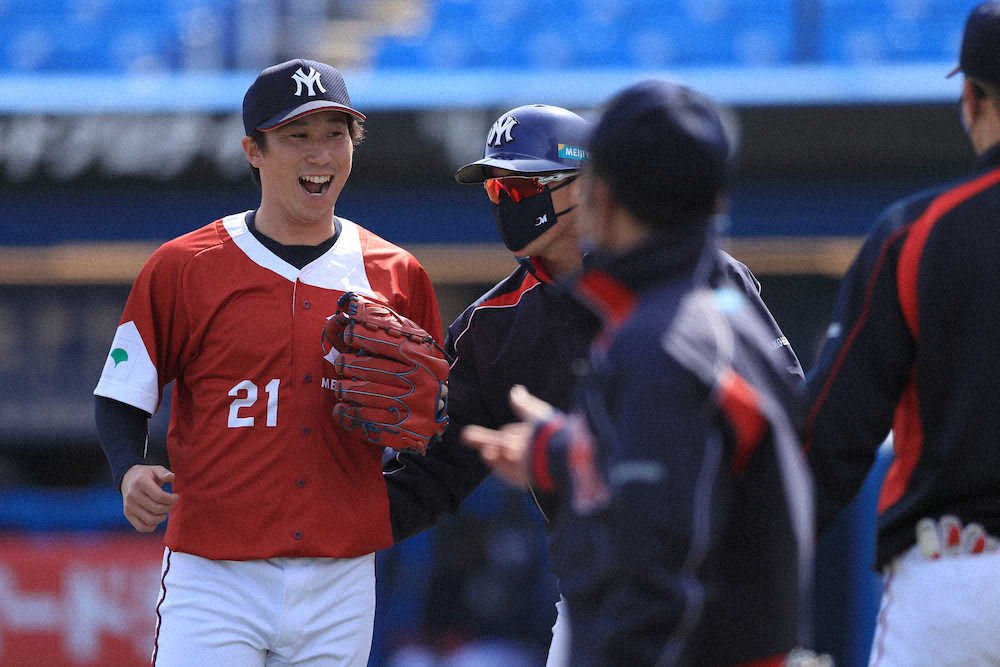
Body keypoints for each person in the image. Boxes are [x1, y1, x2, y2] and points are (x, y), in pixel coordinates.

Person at [395, 87, 815, 666]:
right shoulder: (489, 325)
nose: (505, 202)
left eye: (521, 186)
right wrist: (322, 513)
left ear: (591, 186)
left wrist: (564, 449)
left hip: (708, 596)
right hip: (607, 592)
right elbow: (435, 472)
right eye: (496, 188)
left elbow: (767, 425)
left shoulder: (701, 291)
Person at [92, 58, 443, 667]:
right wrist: (129, 469)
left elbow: (433, 421)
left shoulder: (397, 274)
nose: (320, 153)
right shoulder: (185, 267)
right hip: (215, 575)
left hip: (339, 576)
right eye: (296, 135)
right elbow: (121, 393)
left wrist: (389, 497)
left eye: (335, 133)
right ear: (254, 150)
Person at [802, 3, 1000, 664]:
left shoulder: (917, 233)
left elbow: (829, 434)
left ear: (972, 98)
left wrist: (747, 564)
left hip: (958, 575)